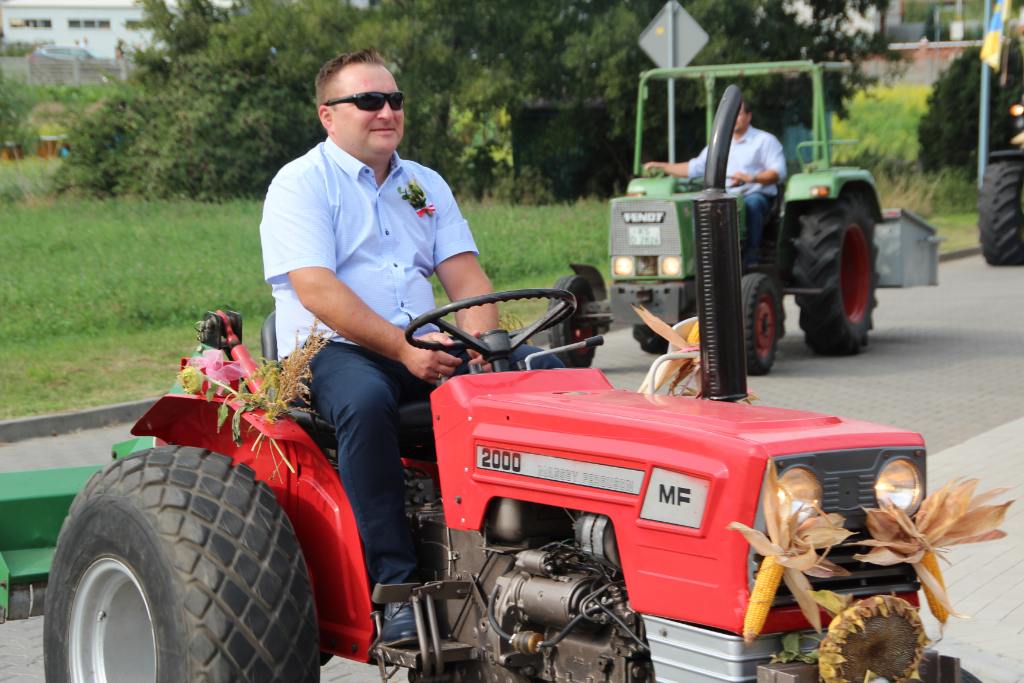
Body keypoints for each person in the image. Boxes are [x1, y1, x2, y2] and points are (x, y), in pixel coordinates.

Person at [259, 49, 563, 648]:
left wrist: (489, 348)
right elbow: (317, 290)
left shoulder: (423, 183)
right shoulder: (300, 184)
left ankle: (549, 550)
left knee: (543, 377)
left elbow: (468, 281)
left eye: (394, 100)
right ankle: (395, 593)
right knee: (365, 406)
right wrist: (402, 349)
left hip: (424, 341)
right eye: (368, 101)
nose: (385, 112)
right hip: (336, 350)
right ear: (328, 115)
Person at [644, 99, 786, 266]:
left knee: (752, 205)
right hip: (722, 197)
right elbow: (694, 168)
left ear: (748, 116)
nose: (734, 119)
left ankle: (751, 257)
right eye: (731, 115)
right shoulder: (718, 144)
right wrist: (662, 166)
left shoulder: (765, 141)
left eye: (738, 114)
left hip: (752, 195)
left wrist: (751, 177)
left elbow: (778, 172)